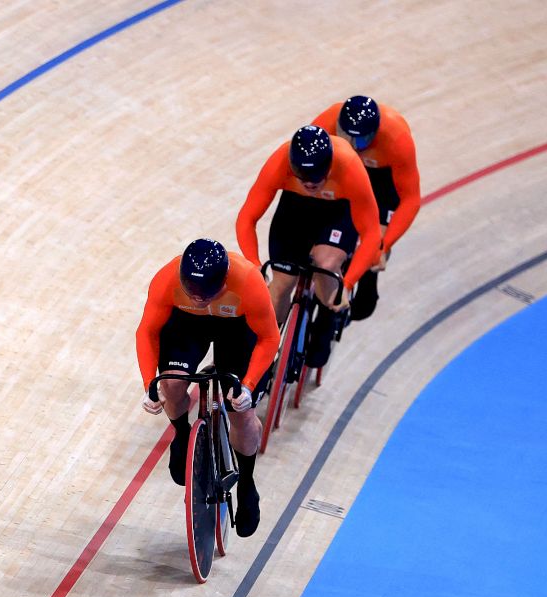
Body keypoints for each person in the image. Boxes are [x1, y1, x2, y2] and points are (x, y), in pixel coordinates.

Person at [135, 238, 279, 537]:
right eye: (193, 291)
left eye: (208, 292)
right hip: (188, 325)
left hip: (236, 330)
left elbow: (269, 339)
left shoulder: (249, 281)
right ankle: (182, 433)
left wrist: (249, 386)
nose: (200, 298)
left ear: (224, 280)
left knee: (240, 409)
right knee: (172, 384)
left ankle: (248, 483)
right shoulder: (167, 279)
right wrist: (150, 384)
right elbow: (147, 332)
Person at [234, 125, 382, 368]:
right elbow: (247, 218)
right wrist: (255, 266)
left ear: (330, 167)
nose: (310, 183)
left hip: (337, 213)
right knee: (280, 286)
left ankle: (327, 317)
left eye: (316, 178)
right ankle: (266, 348)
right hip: (296, 211)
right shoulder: (280, 161)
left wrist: (348, 282)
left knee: (326, 264)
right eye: (302, 176)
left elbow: (372, 233)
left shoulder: (349, 166)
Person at [311, 95, 421, 320]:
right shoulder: (326, 123)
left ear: (374, 135)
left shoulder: (397, 140)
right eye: (345, 136)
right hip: (344, 172)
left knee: (374, 243)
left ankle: (368, 276)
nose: (351, 146)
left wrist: (383, 245)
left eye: (359, 142)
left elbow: (410, 199)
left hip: (381, 181)